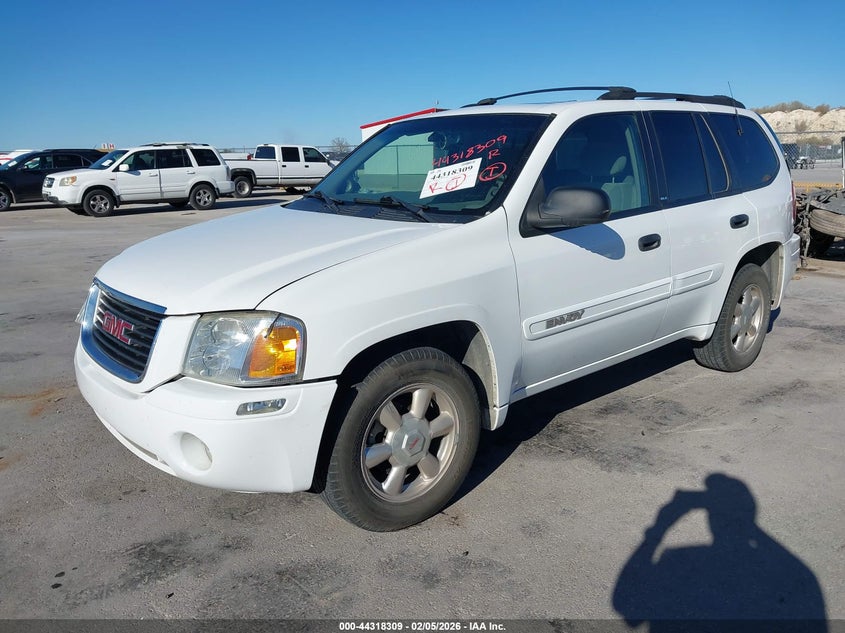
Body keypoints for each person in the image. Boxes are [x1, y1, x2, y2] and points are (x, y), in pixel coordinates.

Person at [613, 473, 827, 632]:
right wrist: (748, 525)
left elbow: (627, 608)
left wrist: (659, 528)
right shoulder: (796, 574)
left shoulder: (679, 560)